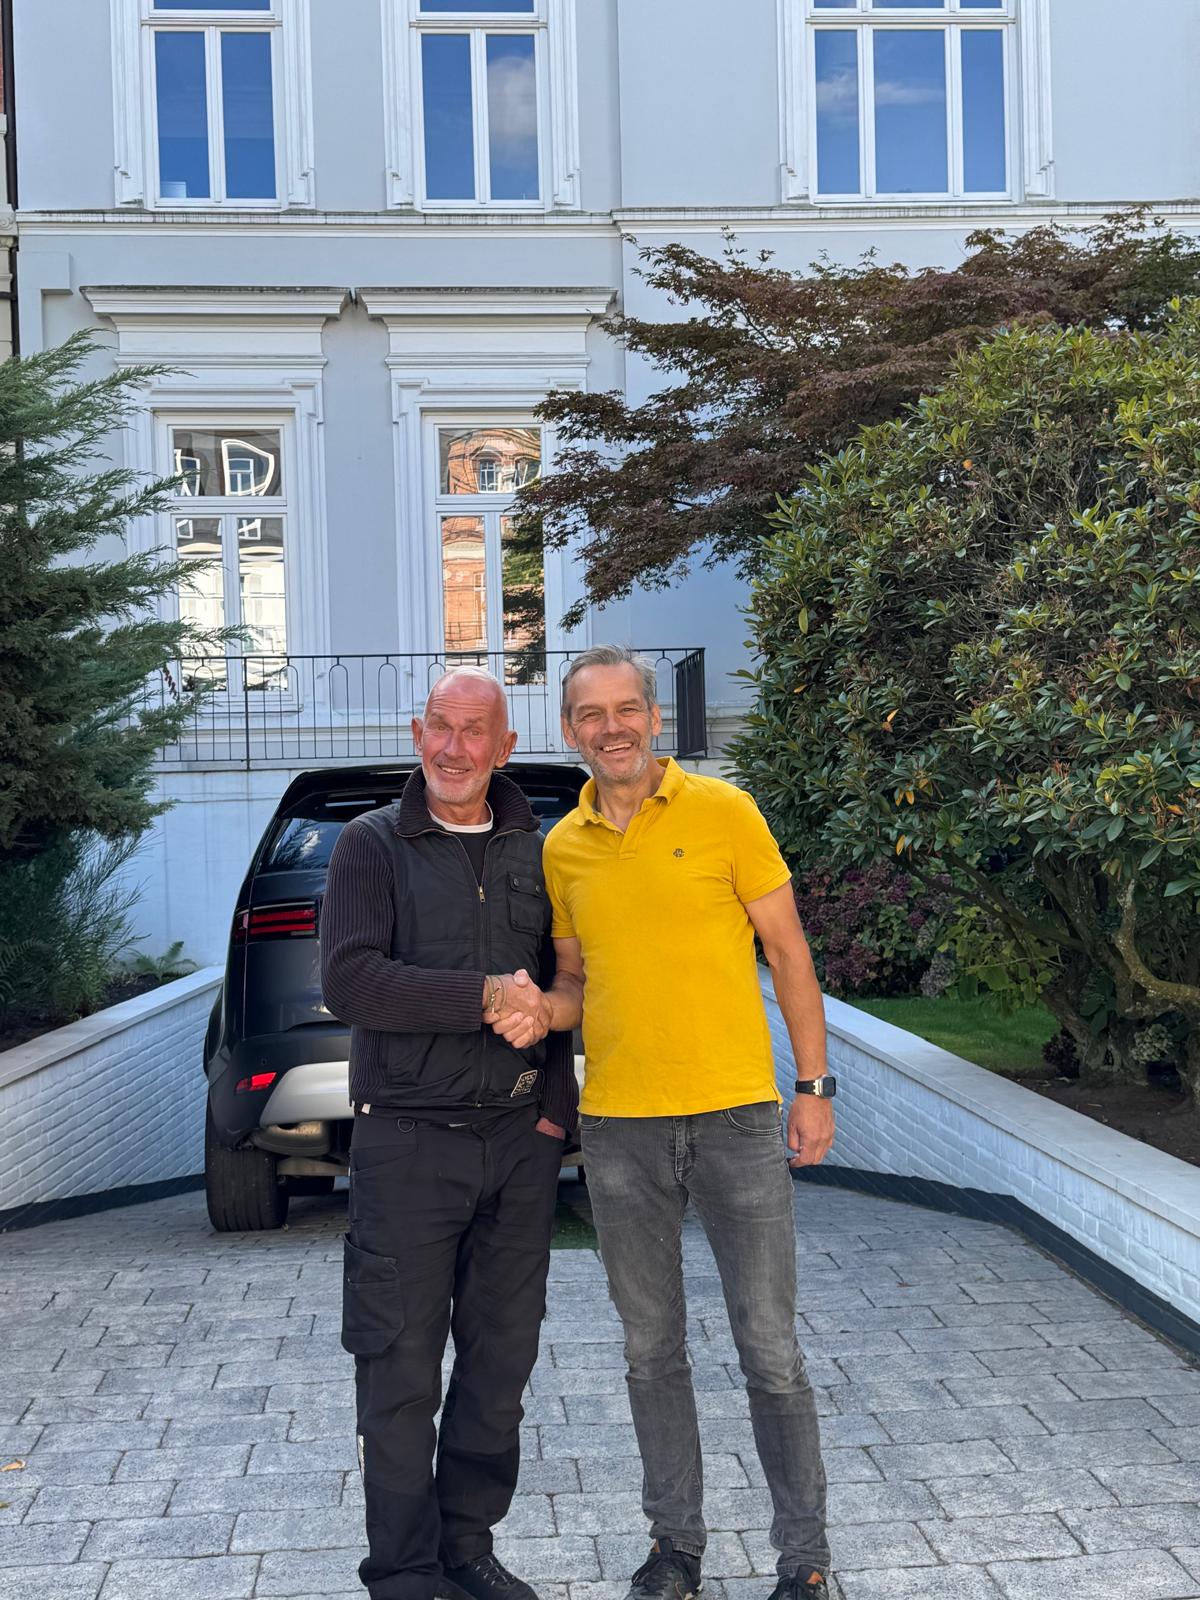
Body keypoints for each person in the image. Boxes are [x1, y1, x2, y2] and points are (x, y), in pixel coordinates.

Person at [531, 644, 837, 1600]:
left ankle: (805, 1558)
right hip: (619, 1127)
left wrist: (814, 1086)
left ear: (654, 720)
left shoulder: (726, 813)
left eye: (627, 709)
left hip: (738, 1117)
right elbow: (580, 985)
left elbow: (788, 954)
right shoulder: (562, 847)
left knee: (768, 1348)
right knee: (649, 1349)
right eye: (591, 714)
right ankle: (678, 1549)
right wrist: (539, 1008)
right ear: (570, 728)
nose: (610, 727)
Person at [321, 665, 578, 1600]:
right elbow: (352, 982)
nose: (453, 748)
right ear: (416, 729)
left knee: (501, 1363)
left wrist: (556, 1114)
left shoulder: (539, 854)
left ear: (505, 747)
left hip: (519, 1143)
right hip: (408, 1144)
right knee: (397, 1366)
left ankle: (467, 1544)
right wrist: (480, 998)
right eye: (439, 725)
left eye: (475, 732)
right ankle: (404, 1572)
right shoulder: (370, 845)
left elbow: (562, 995)